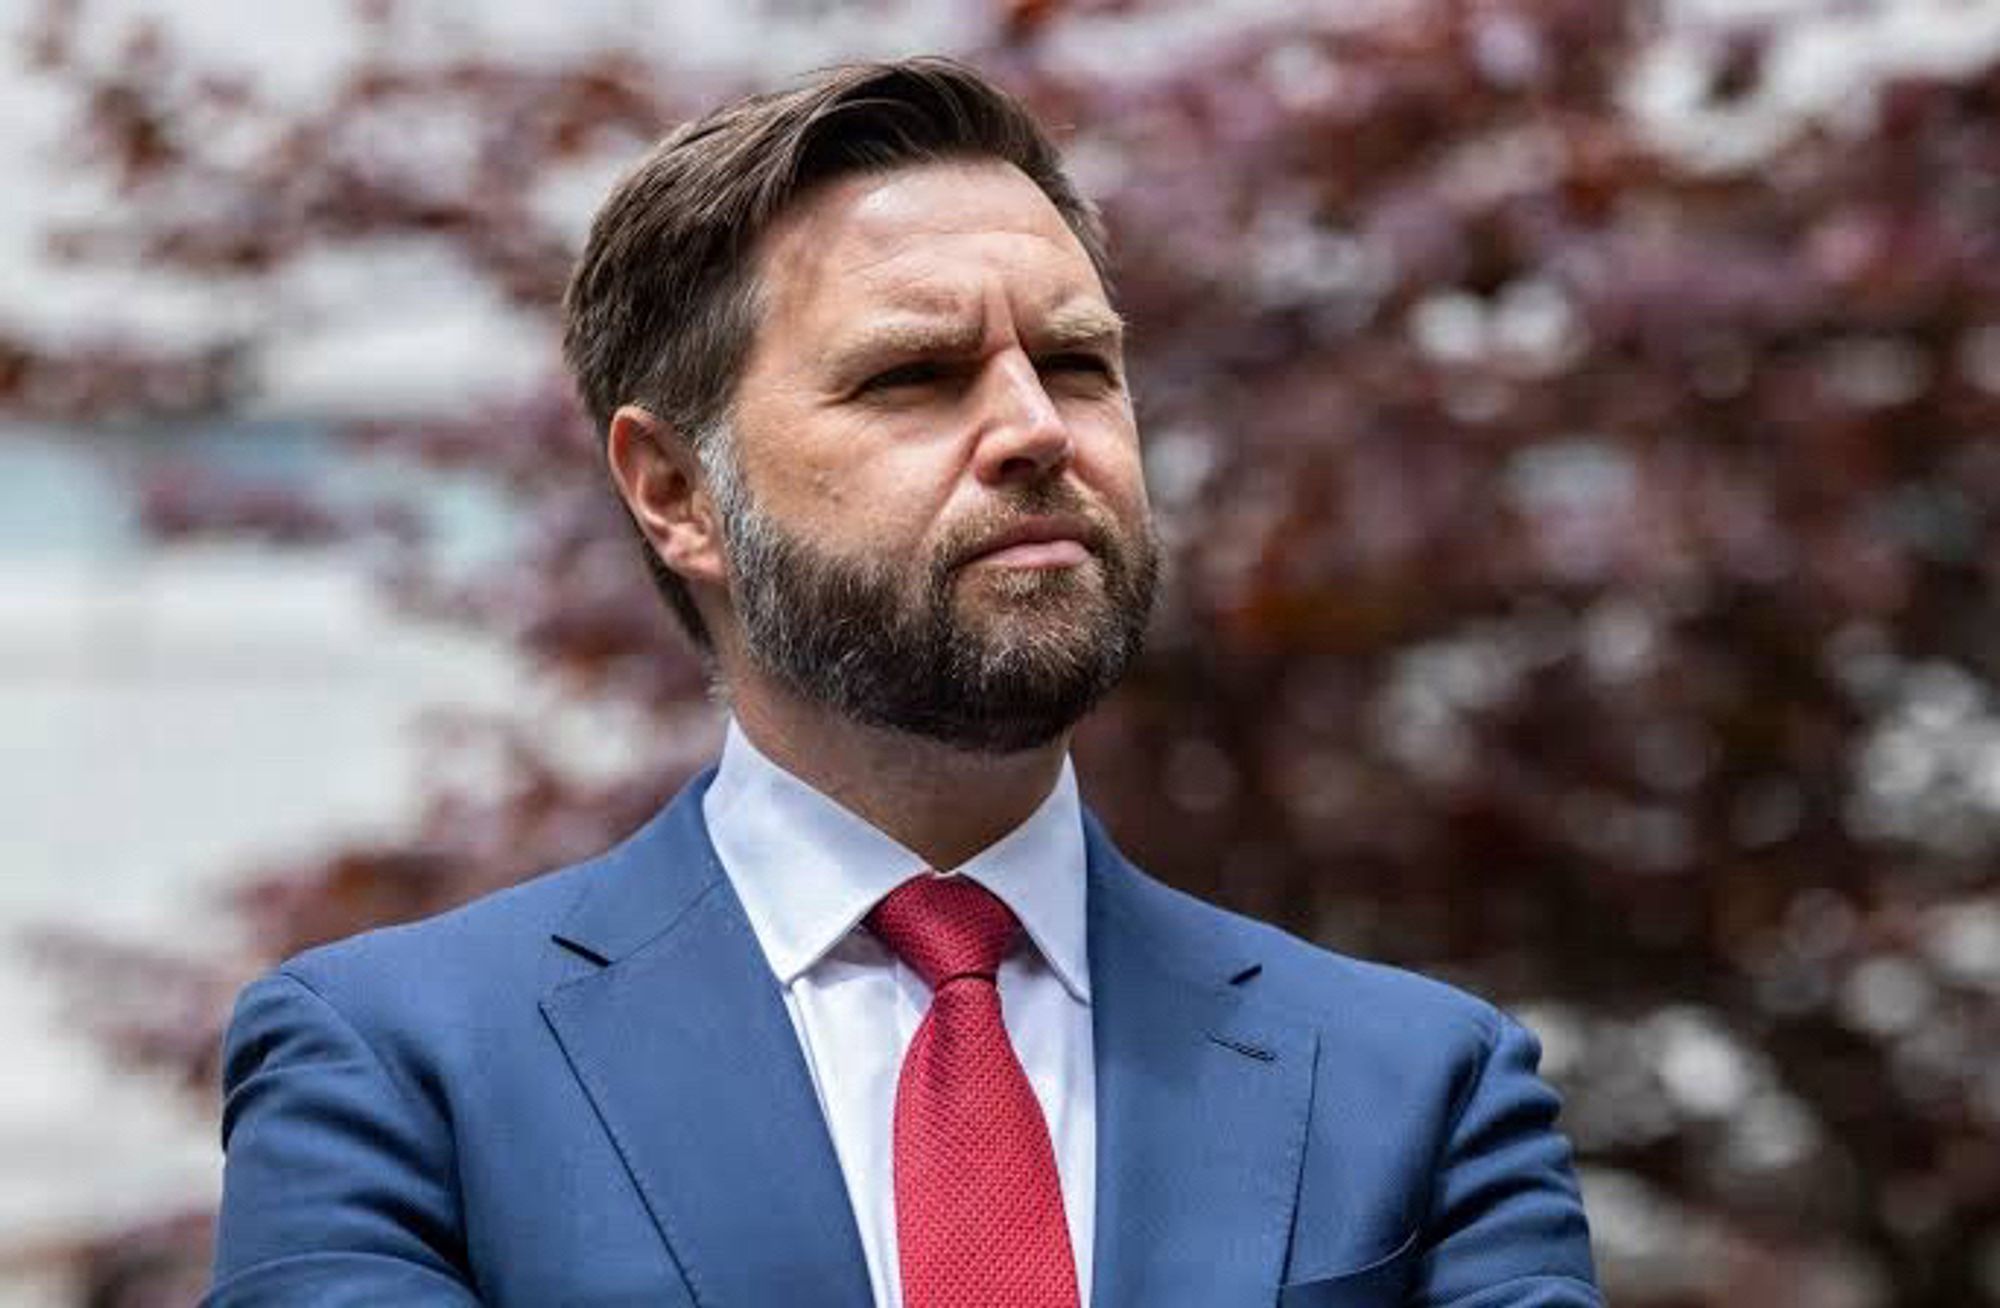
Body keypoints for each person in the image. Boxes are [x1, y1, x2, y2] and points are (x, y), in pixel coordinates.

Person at [205, 57, 1601, 1308]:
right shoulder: (397, 1077)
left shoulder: (1422, 1089)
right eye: (916, 376)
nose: (1038, 432)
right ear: (677, 491)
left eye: (1078, 363)